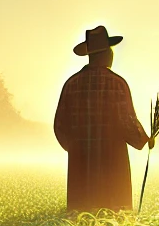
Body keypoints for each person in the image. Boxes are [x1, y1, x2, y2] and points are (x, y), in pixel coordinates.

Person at [54, 25, 149, 213]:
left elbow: (60, 125)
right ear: (105, 54)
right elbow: (127, 120)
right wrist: (144, 140)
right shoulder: (117, 83)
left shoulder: (72, 84)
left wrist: (75, 148)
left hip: (80, 164)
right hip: (113, 161)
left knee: (79, 214)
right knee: (115, 213)